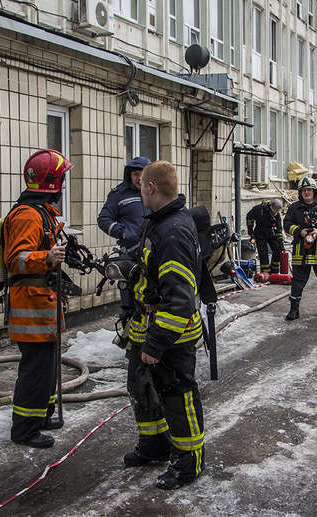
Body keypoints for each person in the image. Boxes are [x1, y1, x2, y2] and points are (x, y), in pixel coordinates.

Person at [122, 160, 205, 490]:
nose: (139, 190)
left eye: (141, 185)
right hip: (148, 324)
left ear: (151, 187)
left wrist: (156, 346)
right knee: (142, 386)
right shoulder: (160, 222)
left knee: (177, 395)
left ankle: (188, 462)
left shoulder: (172, 232)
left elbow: (180, 300)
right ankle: (154, 445)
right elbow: (155, 272)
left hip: (171, 335)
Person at [2, 149, 71, 448]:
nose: (64, 186)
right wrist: (48, 255)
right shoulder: (27, 216)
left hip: (42, 302)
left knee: (47, 366)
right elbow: (14, 259)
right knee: (35, 369)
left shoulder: (41, 213)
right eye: (62, 179)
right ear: (51, 182)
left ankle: (41, 414)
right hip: (30, 305)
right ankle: (24, 430)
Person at [98, 156, 152, 320]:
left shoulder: (154, 192)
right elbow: (103, 219)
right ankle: (130, 338)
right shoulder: (118, 194)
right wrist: (122, 232)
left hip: (154, 254)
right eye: (136, 173)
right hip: (130, 256)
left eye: (143, 173)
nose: (139, 178)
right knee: (130, 301)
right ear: (129, 175)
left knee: (152, 296)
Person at [283, 176, 317, 320]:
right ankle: (294, 309)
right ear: (300, 193)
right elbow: (287, 224)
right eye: (303, 190)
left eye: (309, 190)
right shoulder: (294, 208)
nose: (306, 193)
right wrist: (299, 231)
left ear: (314, 191)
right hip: (301, 250)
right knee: (298, 280)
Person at [246, 199, 285, 274]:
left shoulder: (276, 214)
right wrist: (251, 231)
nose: (275, 213)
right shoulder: (259, 209)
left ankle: (275, 271)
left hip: (271, 232)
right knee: (263, 252)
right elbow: (249, 217)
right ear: (270, 207)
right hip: (260, 232)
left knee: (277, 249)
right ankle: (265, 272)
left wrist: (280, 240)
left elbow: (279, 226)